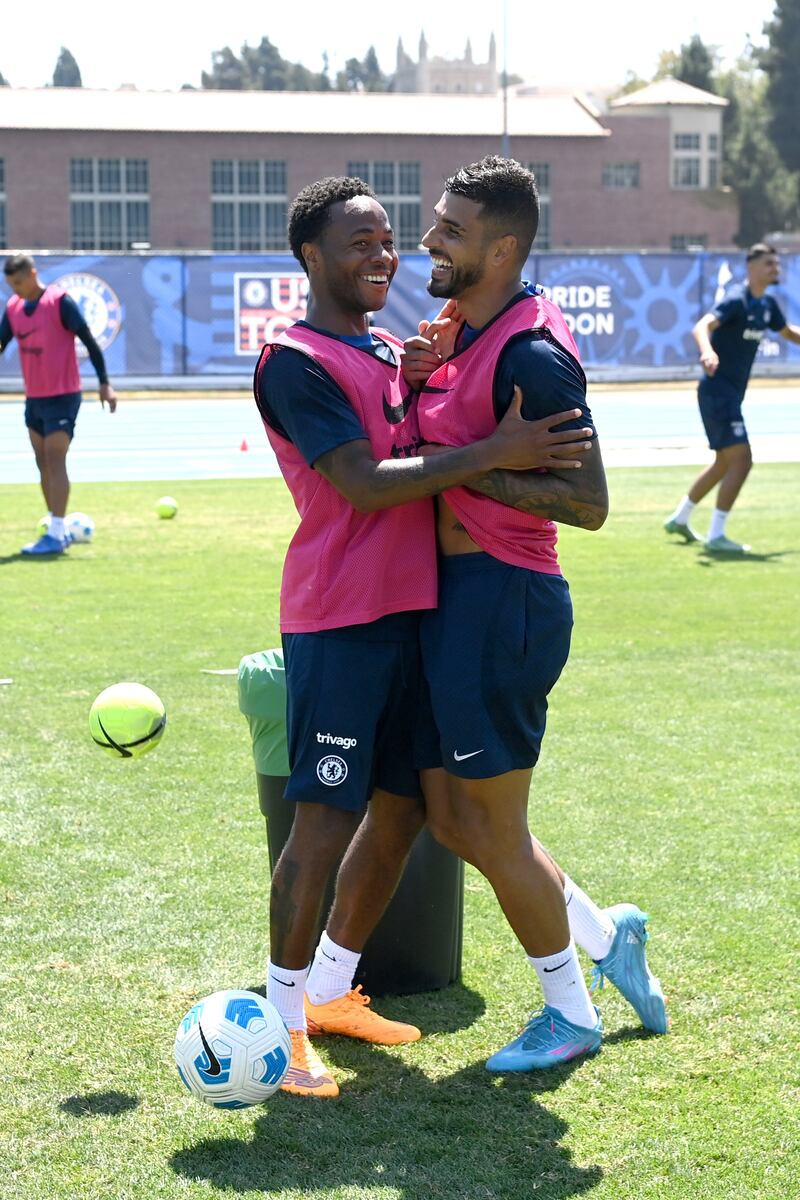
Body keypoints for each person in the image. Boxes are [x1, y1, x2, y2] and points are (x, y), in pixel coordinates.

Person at [253, 175, 594, 1098]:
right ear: (311, 257)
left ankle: (330, 990)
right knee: (322, 825)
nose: (384, 256)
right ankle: (286, 1031)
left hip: (420, 611)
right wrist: (493, 451)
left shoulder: (385, 350)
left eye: (389, 240)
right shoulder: (293, 361)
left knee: (407, 811)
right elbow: (366, 483)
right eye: (357, 242)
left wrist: (425, 376)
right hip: (342, 620)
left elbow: (441, 440)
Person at [400, 155, 667, 1073]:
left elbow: (588, 503)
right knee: (453, 816)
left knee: (491, 826)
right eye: (435, 222)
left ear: (503, 247)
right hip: (452, 602)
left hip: (502, 601)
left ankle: (571, 1013)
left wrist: (473, 460)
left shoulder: (531, 352)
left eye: (451, 230)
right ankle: (603, 936)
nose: (428, 240)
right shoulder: (461, 331)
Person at [664, 242, 800, 552]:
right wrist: (708, 350)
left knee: (725, 462)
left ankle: (680, 517)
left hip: (729, 395)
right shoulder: (737, 300)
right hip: (717, 392)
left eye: (777, 265)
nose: (775, 269)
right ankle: (716, 535)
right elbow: (703, 326)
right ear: (751, 267)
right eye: (769, 264)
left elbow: (789, 333)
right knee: (743, 459)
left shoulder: (767, 305)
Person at [0, 252, 118, 555]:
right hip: (34, 398)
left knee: (55, 460)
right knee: (41, 463)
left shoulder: (59, 303)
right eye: (11, 284)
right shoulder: (13, 309)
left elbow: (89, 341)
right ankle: (58, 529)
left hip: (63, 396)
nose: (16, 289)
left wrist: (104, 383)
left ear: (32, 274)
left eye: (19, 282)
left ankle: (55, 532)